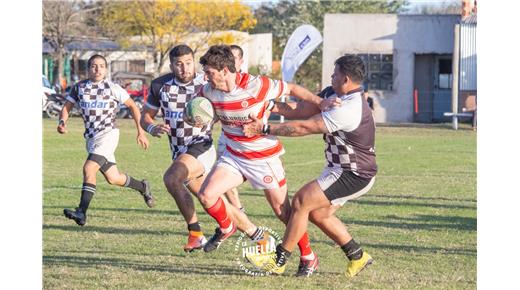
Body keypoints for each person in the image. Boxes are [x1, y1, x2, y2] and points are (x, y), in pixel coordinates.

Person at [243, 54, 377, 278]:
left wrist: (264, 129)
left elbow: (305, 127)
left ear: (345, 79)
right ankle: (357, 256)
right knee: (318, 214)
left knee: (302, 201)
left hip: (354, 172)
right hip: (341, 169)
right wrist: (269, 105)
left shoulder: (350, 107)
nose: (331, 77)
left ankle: (278, 260)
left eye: (334, 74)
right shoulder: (334, 94)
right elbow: (303, 110)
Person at [195, 45, 323, 277]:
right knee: (206, 195)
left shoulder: (257, 85)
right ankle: (228, 226)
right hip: (234, 156)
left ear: (225, 70)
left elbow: (292, 88)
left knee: (283, 211)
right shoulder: (207, 91)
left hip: (264, 158)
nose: (206, 77)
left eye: (210, 72)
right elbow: (203, 111)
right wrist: (197, 118)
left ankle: (308, 256)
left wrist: (320, 103)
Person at [140, 44, 258, 253]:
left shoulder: (207, 81)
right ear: (171, 65)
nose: (184, 68)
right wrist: (152, 127)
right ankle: (256, 234)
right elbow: (145, 116)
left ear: (193, 62)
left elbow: (230, 101)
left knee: (171, 178)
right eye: (179, 64)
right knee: (212, 200)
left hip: (201, 146)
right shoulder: (160, 85)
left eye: (188, 63)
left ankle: (195, 233)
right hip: (179, 152)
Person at [59, 54, 154, 226]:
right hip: (91, 138)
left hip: (108, 135)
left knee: (89, 168)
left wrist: (141, 131)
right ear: (88, 69)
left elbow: (133, 106)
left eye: (101, 66)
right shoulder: (79, 87)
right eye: (94, 66)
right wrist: (62, 122)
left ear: (105, 69)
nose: (98, 69)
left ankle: (81, 212)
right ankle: (142, 187)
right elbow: (67, 106)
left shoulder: (113, 88)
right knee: (113, 178)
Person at [219, 44, 245, 212]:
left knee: (275, 196)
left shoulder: (251, 83)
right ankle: (240, 213)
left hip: (255, 143)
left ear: (241, 62)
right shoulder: (217, 84)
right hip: (227, 139)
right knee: (221, 178)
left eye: (233, 58)